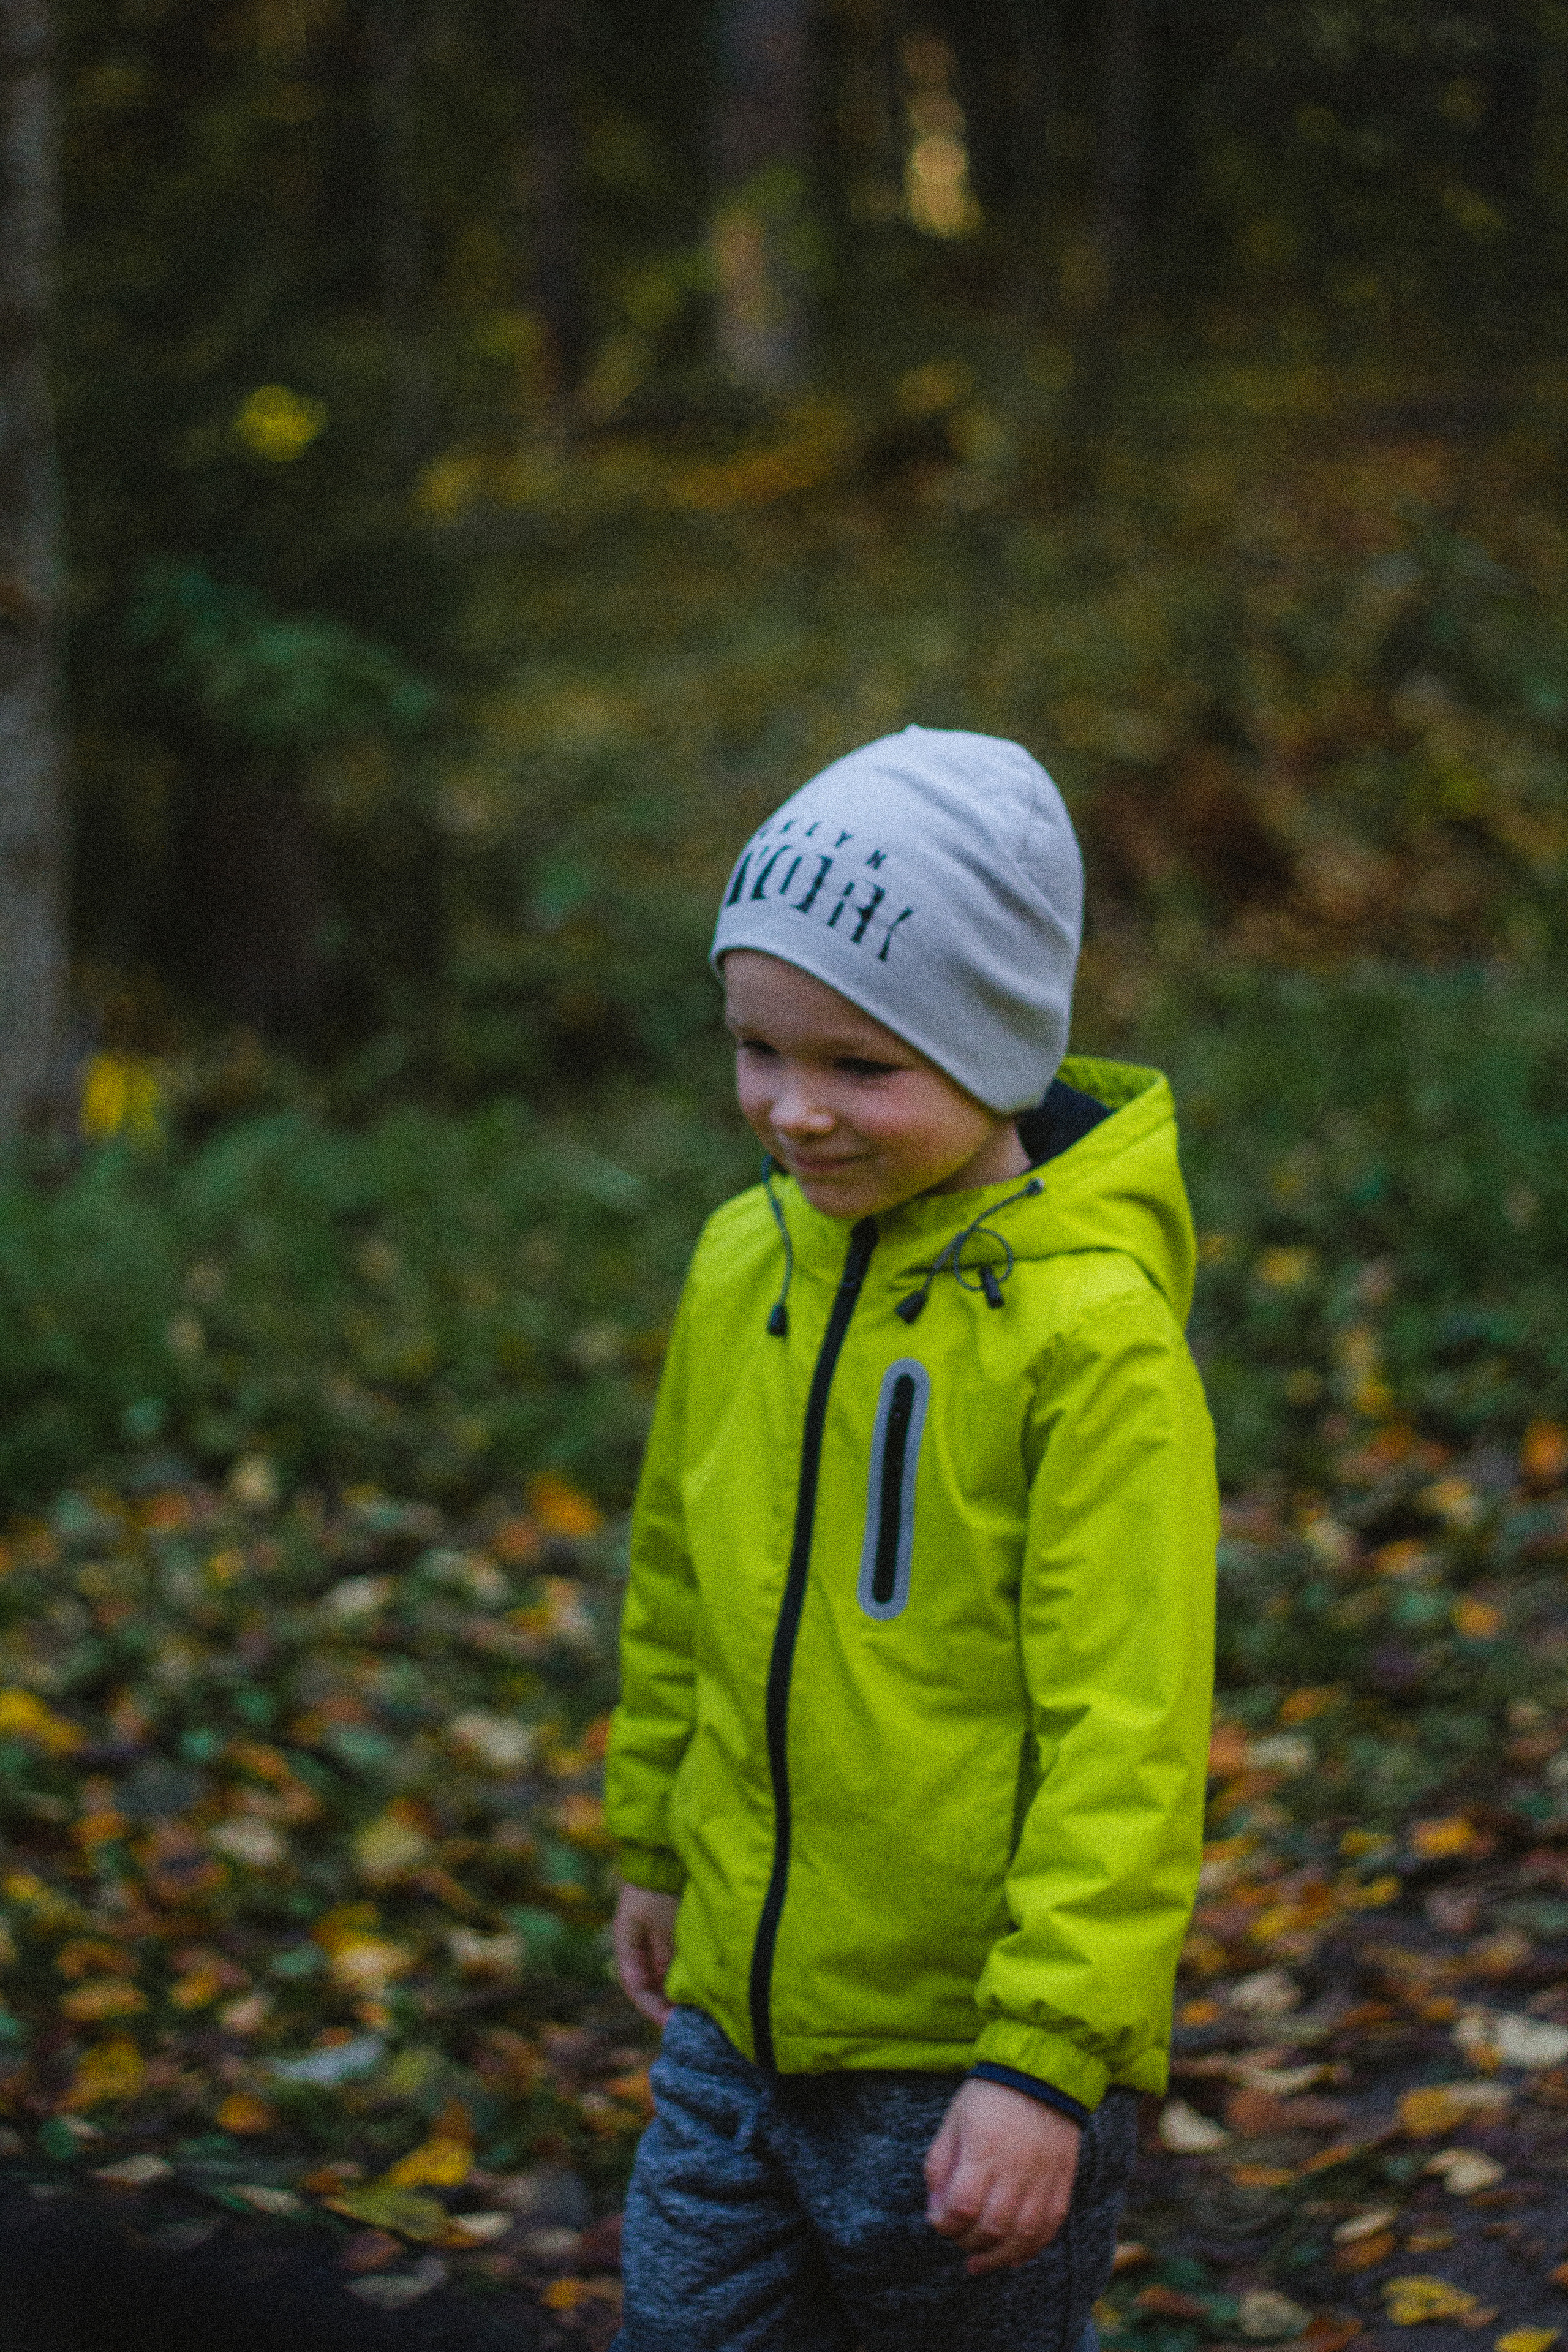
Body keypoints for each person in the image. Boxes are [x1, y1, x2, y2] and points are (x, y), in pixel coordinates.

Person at [604, 726, 1218, 2352]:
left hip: (964, 2070)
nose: (794, 1112)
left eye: (862, 1067)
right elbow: (677, 1577)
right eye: (757, 1049)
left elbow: (1129, 1730)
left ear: (996, 1049)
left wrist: (1045, 2061)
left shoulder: (1093, 1342)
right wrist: (656, 1843)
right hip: (732, 2031)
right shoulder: (746, 1262)